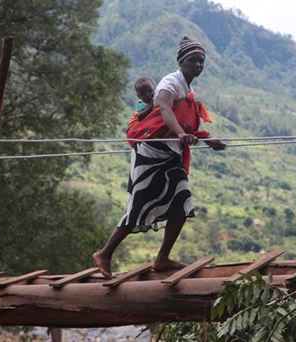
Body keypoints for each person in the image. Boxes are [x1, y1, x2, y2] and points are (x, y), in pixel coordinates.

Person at [92, 37, 225, 277]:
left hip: (169, 153)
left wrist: (206, 140)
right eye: (193, 60)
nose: (198, 65)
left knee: (182, 205)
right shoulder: (170, 82)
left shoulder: (188, 89)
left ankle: (162, 259)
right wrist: (181, 133)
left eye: (201, 61)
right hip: (151, 152)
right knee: (139, 205)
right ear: (181, 61)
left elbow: (185, 122)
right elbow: (163, 109)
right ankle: (104, 253)